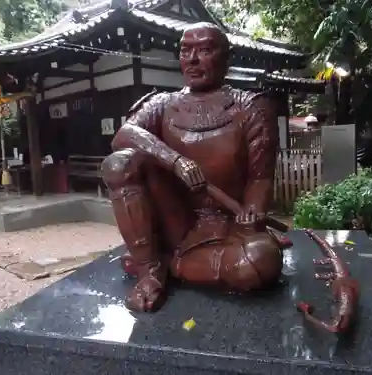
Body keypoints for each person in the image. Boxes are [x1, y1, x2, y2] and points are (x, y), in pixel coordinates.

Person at [102, 22, 284, 312]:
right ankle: (150, 271)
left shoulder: (250, 107)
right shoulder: (161, 104)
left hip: (227, 225)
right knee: (119, 163)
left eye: (205, 50)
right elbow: (124, 135)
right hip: (174, 216)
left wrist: (253, 211)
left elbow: (260, 179)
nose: (193, 60)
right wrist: (175, 161)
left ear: (227, 57)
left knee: (259, 262)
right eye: (186, 51)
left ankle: (163, 262)